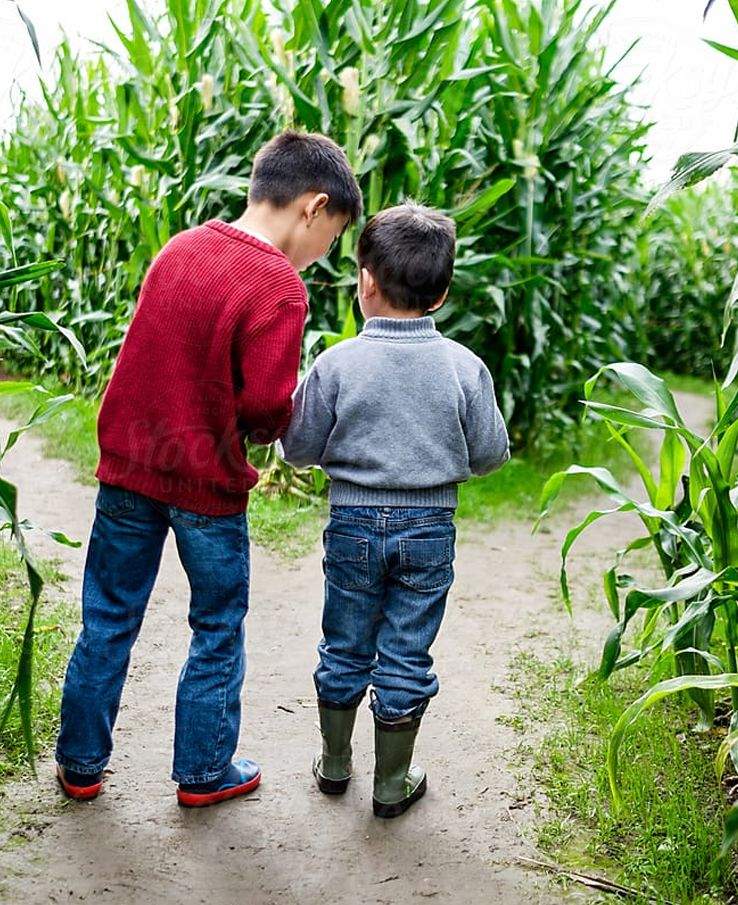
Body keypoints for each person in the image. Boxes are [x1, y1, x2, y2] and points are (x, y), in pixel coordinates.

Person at [54, 131, 362, 807]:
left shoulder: (180, 248)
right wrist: (269, 427)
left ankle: (80, 763)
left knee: (107, 617)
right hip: (207, 490)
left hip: (127, 472)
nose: (325, 254)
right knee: (216, 625)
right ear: (313, 208)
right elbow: (262, 401)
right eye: (333, 236)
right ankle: (202, 772)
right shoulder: (279, 286)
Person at [280, 202, 510, 818]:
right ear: (441, 295)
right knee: (407, 652)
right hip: (430, 529)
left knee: (344, 643)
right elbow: (490, 454)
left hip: (352, 526)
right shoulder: (466, 367)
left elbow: (298, 448)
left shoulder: (336, 363)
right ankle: (391, 783)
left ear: (366, 282)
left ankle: (333, 765)